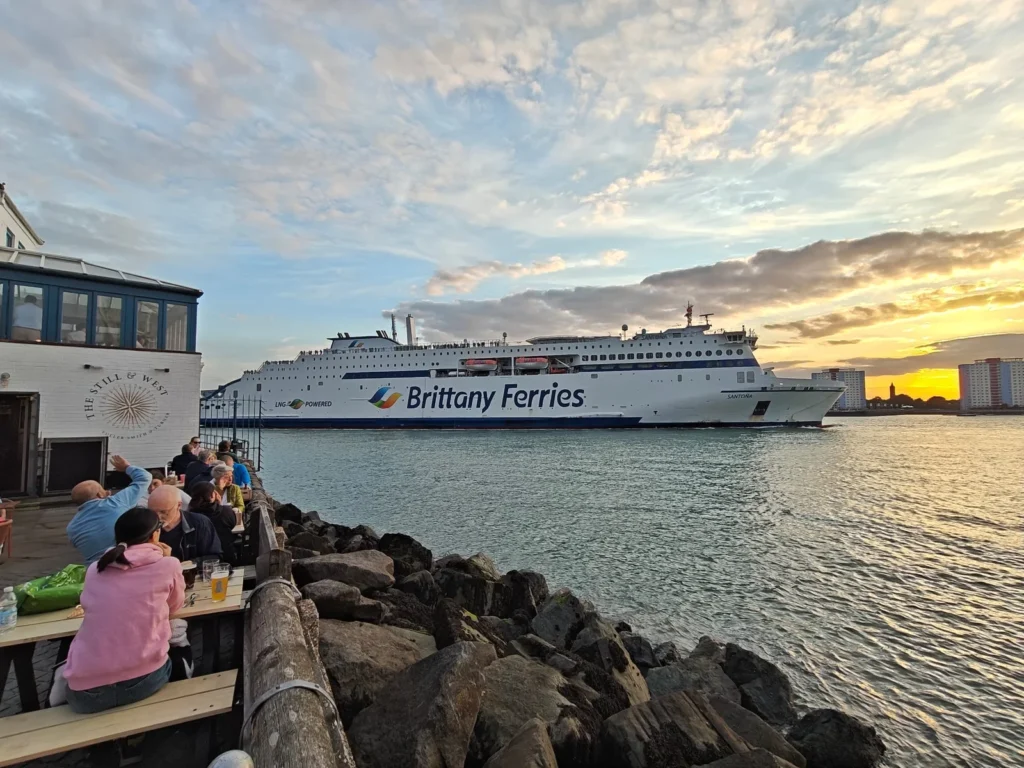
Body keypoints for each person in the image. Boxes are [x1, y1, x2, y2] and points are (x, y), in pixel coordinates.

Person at [61, 507, 184, 714]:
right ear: (155, 534)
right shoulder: (168, 565)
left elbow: (88, 606)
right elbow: (175, 606)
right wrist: (167, 559)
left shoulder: (96, 568)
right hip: (144, 679)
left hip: (85, 694)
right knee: (178, 647)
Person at [68, 456, 152, 565]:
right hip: (128, 564)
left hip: (96, 570)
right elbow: (145, 477)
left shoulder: (72, 528)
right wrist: (126, 467)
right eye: (103, 490)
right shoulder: (116, 502)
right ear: (100, 494)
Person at [149, 485, 221, 562]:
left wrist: (174, 563)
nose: (158, 517)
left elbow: (214, 557)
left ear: (179, 505)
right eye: (152, 512)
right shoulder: (146, 527)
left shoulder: (199, 523)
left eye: (163, 512)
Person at [189, 482, 237, 563]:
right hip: (226, 555)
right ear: (212, 496)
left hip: (200, 560)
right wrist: (220, 505)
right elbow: (233, 524)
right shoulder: (225, 511)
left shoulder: (189, 516)